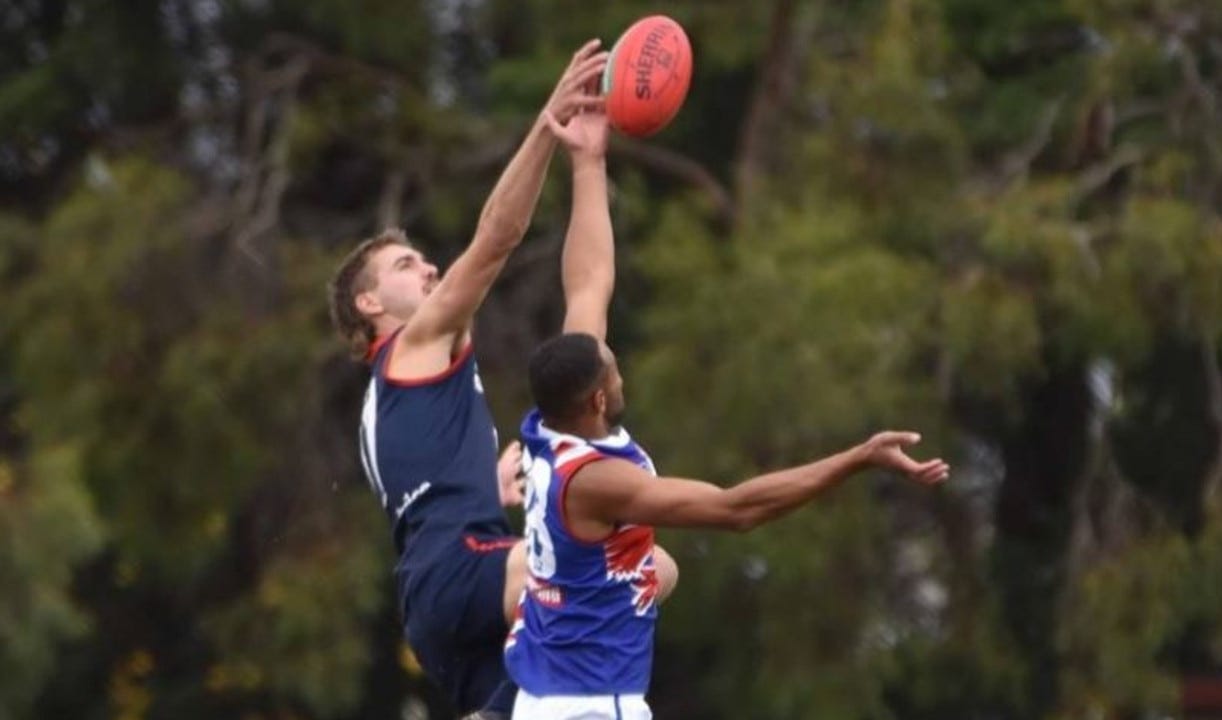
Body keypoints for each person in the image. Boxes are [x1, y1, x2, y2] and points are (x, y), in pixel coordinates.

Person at [502, 94, 951, 720]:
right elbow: (736, 509)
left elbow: (589, 280)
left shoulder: (554, 422)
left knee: (659, 567)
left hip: (547, 695)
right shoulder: (598, 482)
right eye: (613, 368)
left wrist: (588, 163)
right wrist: (858, 458)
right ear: (598, 397)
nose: (617, 363)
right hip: (588, 705)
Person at [325, 41, 613, 719]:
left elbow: (590, 292)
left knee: (546, 691)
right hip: (460, 572)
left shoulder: (392, 402)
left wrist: (590, 163)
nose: (428, 271)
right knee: (639, 572)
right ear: (370, 307)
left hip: (440, 604)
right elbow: (496, 238)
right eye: (406, 265)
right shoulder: (417, 342)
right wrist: (548, 127)